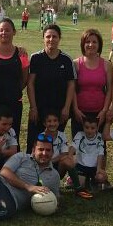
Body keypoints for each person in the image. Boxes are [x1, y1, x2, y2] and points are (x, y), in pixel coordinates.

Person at [26, 24, 76, 153]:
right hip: (39, 108)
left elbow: (71, 85)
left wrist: (66, 107)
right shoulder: (36, 58)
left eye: (54, 36)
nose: (51, 39)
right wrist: (33, 107)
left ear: (59, 38)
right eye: (48, 36)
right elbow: (30, 83)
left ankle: (54, 171)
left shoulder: (66, 60)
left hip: (59, 109)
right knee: (34, 143)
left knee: (55, 145)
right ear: (43, 38)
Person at [72, 29, 113, 137]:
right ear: (83, 44)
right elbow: (72, 89)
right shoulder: (76, 64)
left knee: (99, 147)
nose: (91, 45)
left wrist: (104, 111)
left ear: (99, 44)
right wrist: (75, 109)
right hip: (80, 113)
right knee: (79, 146)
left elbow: (109, 90)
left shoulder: (107, 65)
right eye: (87, 42)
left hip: (99, 113)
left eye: (94, 42)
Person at [69, 115, 105, 198]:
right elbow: (73, 147)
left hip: (94, 167)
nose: (89, 130)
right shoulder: (79, 135)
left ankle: (93, 181)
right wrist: (70, 158)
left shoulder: (100, 137)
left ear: (97, 128)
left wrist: (99, 168)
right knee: (80, 185)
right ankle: (74, 179)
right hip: (81, 166)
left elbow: (100, 154)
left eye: (92, 128)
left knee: (101, 177)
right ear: (83, 127)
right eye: (87, 127)